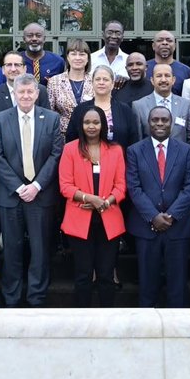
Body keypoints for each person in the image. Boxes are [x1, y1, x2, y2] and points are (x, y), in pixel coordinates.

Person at [0, 74, 63, 307]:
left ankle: (36, 298)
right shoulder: (1, 119)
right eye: (21, 92)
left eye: (30, 92)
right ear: (15, 93)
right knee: (12, 249)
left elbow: (55, 154)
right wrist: (20, 187)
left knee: (40, 250)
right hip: (10, 196)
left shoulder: (51, 119)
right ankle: (11, 298)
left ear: (37, 93)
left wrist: (37, 185)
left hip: (41, 195)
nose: (25, 96)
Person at [125, 105, 190, 308]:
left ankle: (177, 329)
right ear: (148, 123)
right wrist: (153, 216)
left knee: (178, 284)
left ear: (171, 123)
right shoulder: (134, 151)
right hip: (145, 227)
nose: (159, 124)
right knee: (147, 282)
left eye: (164, 120)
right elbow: (134, 187)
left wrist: (171, 215)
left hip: (177, 228)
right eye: (155, 120)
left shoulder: (186, 151)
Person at [59, 105, 126, 308]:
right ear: (81, 125)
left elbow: (121, 186)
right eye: (87, 122)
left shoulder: (115, 150)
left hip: (108, 219)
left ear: (103, 125)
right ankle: (83, 322)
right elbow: (65, 186)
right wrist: (88, 198)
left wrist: (105, 202)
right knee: (83, 275)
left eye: (96, 122)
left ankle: (106, 322)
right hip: (80, 220)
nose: (91, 126)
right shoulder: (70, 149)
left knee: (106, 275)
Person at [64, 65, 140, 150]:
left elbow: (133, 141)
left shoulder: (125, 110)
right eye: (98, 79)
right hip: (86, 160)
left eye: (105, 79)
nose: (101, 82)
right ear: (92, 83)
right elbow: (71, 139)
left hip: (119, 160)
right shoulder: (80, 110)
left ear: (112, 84)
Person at [132, 63, 190, 147]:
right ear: (152, 80)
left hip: (180, 158)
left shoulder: (185, 105)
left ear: (173, 80)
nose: (163, 80)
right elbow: (137, 140)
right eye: (159, 76)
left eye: (167, 75)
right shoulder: (138, 106)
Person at [0, 51, 49, 124]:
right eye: (9, 65)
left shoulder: (40, 90)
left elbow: (46, 121)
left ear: (25, 69)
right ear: (3, 70)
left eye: (17, 65)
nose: (13, 69)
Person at [47, 37, 94, 137]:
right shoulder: (54, 81)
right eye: (73, 54)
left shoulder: (95, 81)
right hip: (62, 137)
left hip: (90, 136)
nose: (78, 58)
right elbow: (50, 113)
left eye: (82, 54)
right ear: (68, 57)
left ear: (87, 58)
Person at [146, 29, 190, 95]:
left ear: (175, 46)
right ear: (153, 46)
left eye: (169, 40)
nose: (165, 43)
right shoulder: (144, 69)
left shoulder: (187, 72)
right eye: (160, 40)